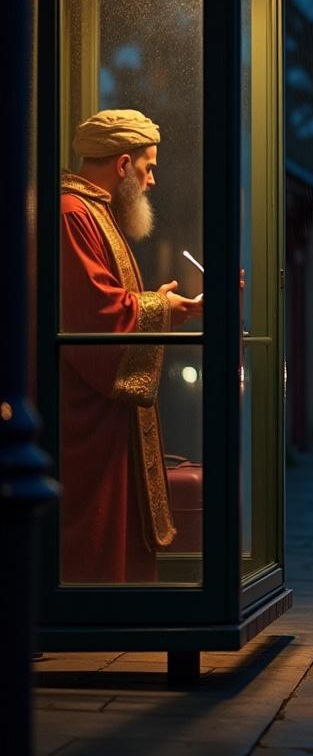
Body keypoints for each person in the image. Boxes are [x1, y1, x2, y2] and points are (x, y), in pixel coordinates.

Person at [59, 108, 203, 583]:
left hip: (98, 411)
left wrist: (157, 305)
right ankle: (94, 610)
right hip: (81, 409)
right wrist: (165, 311)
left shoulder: (91, 210)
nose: (153, 180)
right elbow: (97, 315)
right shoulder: (72, 213)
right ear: (122, 165)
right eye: (148, 166)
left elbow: (112, 303)